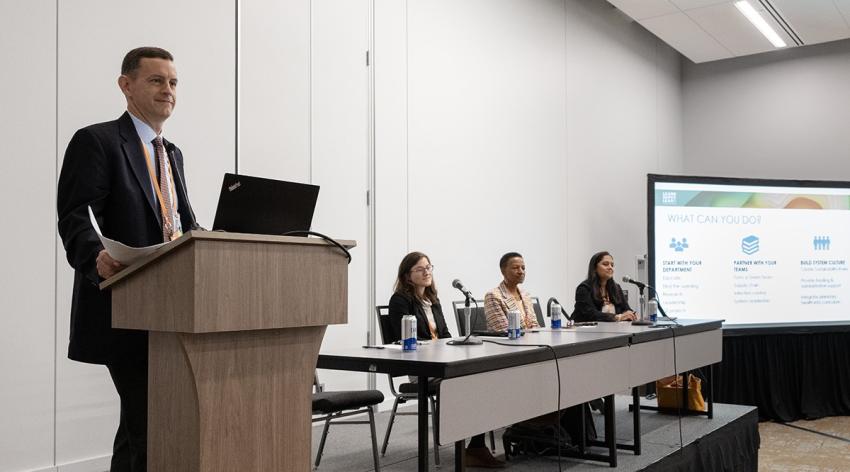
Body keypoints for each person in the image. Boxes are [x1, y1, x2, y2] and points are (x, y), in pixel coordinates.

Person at [57, 47, 196, 472]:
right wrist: (95, 256)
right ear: (126, 85)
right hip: (126, 306)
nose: (167, 90)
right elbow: (75, 214)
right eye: (156, 80)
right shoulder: (97, 140)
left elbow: (182, 226)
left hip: (174, 310)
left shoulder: (171, 153)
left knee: (142, 425)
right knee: (151, 423)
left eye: (173, 83)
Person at [388, 252, 504, 468]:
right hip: (420, 370)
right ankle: (468, 445)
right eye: (420, 269)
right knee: (467, 384)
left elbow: (445, 335)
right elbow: (403, 338)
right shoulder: (400, 300)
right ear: (407, 276)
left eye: (429, 267)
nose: (427, 272)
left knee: (484, 379)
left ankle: (475, 447)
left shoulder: (433, 301)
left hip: (442, 364)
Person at [572, 251, 638, 322]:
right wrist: (617, 317)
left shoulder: (616, 288)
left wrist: (632, 314)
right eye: (605, 264)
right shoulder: (584, 288)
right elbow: (590, 314)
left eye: (612, 265)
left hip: (612, 330)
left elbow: (625, 308)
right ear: (594, 268)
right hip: (586, 330)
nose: (610, 267)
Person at [484, 252, 540, 332]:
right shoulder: (493, 296)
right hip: (509, 343)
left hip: (531, 342)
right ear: (503, 271)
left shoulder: (526, 295)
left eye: (523, 268)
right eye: (515, 268)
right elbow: (504, 331)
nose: (521, 271)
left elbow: (535, 326)